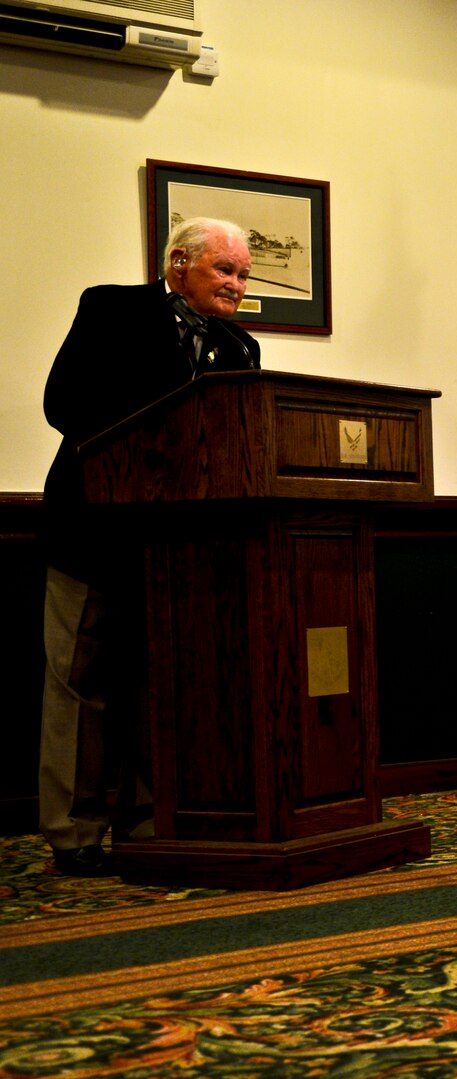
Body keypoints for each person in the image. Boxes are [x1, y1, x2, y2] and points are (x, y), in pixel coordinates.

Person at [40, 217, 261, 876]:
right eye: (224, 269)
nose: (236, 285)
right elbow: (64, 403)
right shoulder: (112, 309)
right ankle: (73, 832)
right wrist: (154, 450)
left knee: (158, 685)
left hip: (179, 550)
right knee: (79, 684)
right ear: (179, 264)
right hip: (91, 529)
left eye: (243, 275)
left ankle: (148, 820)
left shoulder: (239, 347)